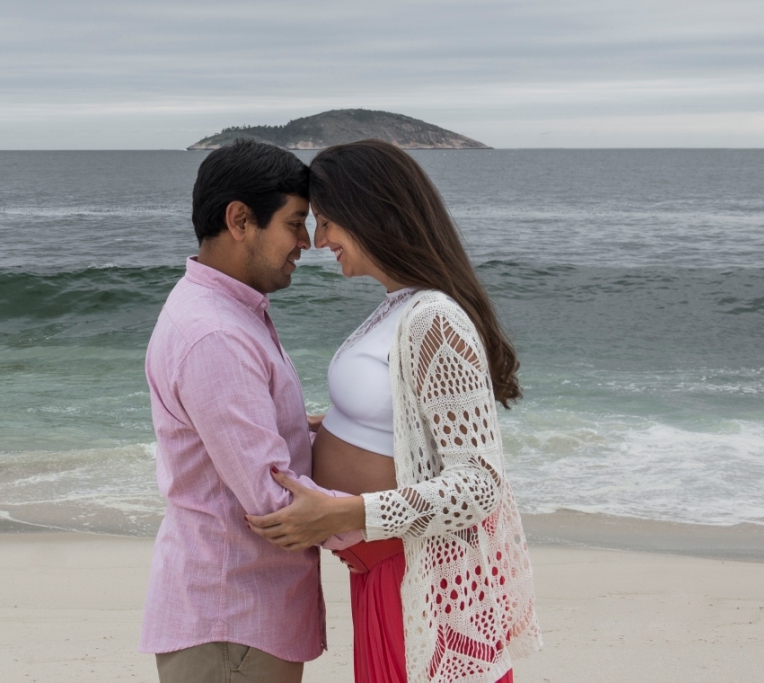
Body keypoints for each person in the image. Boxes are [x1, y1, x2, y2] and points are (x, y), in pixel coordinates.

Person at [247, 140, 543, 683]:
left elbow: (480, 486)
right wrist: (329, 429)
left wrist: (347, 514)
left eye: (329, 221)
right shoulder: (398, 305)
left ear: (373, 214)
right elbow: (397, 423)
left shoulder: (434, 318)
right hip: (384, 571)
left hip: (415, 571)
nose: (318, 240)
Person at [140, 139, 357, 683]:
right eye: (295, 223)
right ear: (240, 220)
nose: (306, 243)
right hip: (232, 622)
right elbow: (275, 502)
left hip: (239, 616)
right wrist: (391, 518)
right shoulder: (215, 333)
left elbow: (245, 443)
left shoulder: (229, 312)